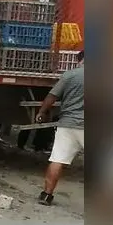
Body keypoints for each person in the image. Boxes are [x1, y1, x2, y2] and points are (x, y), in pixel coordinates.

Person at [36, 50, 84, 206]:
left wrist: (42, 112)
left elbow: (52, 96)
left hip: (67, 125)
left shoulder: (69, 75)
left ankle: (46, 195)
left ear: (80, 60)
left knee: (57, 160)